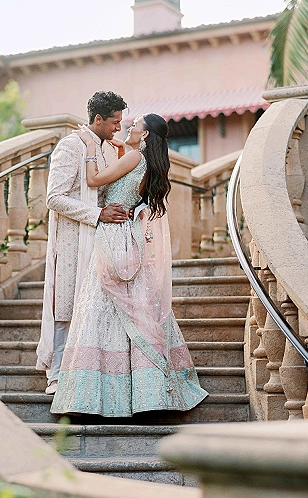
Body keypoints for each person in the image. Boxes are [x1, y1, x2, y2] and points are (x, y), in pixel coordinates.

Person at [50, 113, 208, 417]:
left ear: (145, 135)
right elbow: (128, 183)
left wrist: (87, 147)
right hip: (130, 237)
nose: (128, 127)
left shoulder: (135, 156)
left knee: (101, 306)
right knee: (135, 306)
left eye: (135, 125)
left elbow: (95, 180)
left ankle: (95, 395)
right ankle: (147, 393)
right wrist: (119, 149)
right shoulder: (149, 163)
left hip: (113, 234)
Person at [36, 91, 129, 394]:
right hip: (72, 239)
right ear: (98, 119)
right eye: (114, 121)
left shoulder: (103, 148)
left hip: (98, 238)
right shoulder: (70, 146)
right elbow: (54, 198)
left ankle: (85, 372)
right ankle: (56, 375)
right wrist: (97, 213)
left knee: (91, 305)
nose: (118, 127)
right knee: (65, 304)